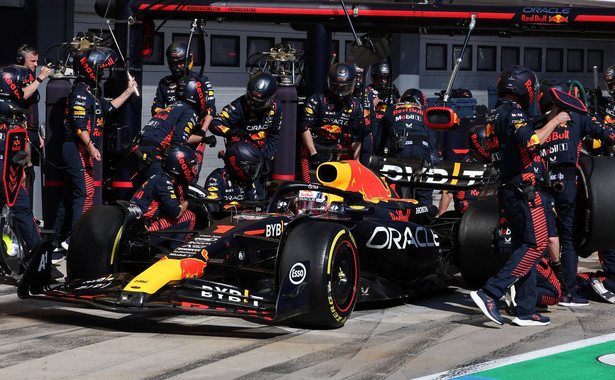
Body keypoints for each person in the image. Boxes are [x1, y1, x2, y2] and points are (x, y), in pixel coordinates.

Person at [470, 65, 571, 327]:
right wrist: (556, 121)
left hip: (510, 189)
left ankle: (524, 310)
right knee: (536, 246)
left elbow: (522, 127)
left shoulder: (496, 113)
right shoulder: (514, 113)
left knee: (524, 247)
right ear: (526, 88)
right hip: (525, 189)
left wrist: (549, 114)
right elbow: (531, 142)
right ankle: (490, 292)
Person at [535, 81, 615, 307]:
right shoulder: (577, 117)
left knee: (541, 238)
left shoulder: (537, 123)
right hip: (566, 183)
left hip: (541, 183)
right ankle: (567, 291)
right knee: (567, 238)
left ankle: (542, 286)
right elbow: (607, 133)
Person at [53, 47, 137, 251]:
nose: (104, 73)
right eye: (101, 69)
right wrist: (91, 147)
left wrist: (127, 90)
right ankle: (75, 239)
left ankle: (57, 241)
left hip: (80, 149)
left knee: (70, 196)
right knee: (86, 193)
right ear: (90, 69)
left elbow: (106, 110)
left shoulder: (91, 92)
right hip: (77, 148)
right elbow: (79, 124)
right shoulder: (81, 92)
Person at [210, 72, 281, 199]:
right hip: (239, 164)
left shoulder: (276, 108)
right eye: (251, 99)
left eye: (258, 102)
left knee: (260, 199)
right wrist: (230, 132)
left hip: (259, 163)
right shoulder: (238, 106)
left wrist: (268, 157)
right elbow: (214, 123)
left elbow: (274, 135)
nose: (252, 104)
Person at [151, 41, 216, 169]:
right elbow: (155, 109)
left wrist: (202, 132)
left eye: (181, 62)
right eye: (174, 63)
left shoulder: (201, 80)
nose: (178, 66)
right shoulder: (164, 83)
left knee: (190, 172)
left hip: (195, 134)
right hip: (171, 135)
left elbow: (211, 109)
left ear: (189, 60)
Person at [138, 74, 213, 182]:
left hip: (141, 152)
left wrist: (201, 138)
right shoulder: (189, 111)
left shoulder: (171, 107)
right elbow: (178, 142)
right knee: (167, 191)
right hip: (154, 156)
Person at [0, 66, 42, 253]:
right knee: (23, 209)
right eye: (21, 85)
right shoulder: (15, 113)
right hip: (6, 171)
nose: (24, 88)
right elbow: (20, 144)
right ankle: (37, 256)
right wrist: (25, 168)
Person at [299, 62, 362, 183]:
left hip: (336, 149)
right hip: (313, 148)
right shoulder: (316, 100)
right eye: (337, 86)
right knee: (311, 186)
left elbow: (356, 136)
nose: (340, 91)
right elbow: (305, 127)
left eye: (344, 87)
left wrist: (356, 163)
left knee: (335, 187)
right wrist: (313, 154)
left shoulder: (356, 106)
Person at [131, 145, 197, 249]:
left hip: (140, 225)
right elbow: (176, 213)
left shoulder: (162, 177)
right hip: (143, 231)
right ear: (181, 164)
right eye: (190, 165)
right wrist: (189, 202)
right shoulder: (165, 182)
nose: (193, 170)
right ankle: (176, 255)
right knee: (189, 216)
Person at [379, 88, 437, 204]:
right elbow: (432, 141)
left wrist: (381, 155)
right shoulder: (425, 111)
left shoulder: (391, 109)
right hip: (421, 150)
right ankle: (425, 215)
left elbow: (381, 138)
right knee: (424, 190)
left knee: (397, 190)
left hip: (400, 149)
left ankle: (398, 214)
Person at [15, 44, 53, 201]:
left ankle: (28, 213)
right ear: (21, 60)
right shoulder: (18, 74)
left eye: (37, 61)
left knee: (31, 173)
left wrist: (37, 131)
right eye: (32, 61)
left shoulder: (29, 76)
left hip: (32, 131)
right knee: (24, 171)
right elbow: (23, 95)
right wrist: (41, 78)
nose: (36, 65)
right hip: (22, 131)